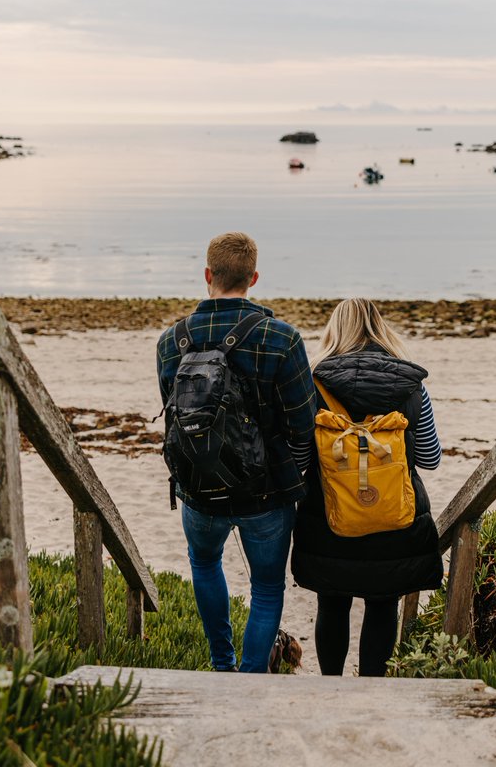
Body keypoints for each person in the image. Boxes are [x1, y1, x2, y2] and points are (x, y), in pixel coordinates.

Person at [157, 232, 317, 673]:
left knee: (204, 564)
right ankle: (250, 679)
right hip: (266, 494)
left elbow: (175, 418)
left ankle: (221, 664)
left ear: (207, 275)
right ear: (254, 278)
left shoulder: (171, 342)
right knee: (267, 588)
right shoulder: (282, 339)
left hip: (198, 489)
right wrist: (292, 474)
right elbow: (304, 424)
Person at [291, 298, 444, 676]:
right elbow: (429, 457)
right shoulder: (412, 385)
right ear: (381, 329)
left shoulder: (313, 384)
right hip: (395, 519)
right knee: (383, 604)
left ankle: (331, 686)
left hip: (328, 518)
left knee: (332, 604)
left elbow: (298, 460)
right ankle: (373, 686)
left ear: (334, 331)